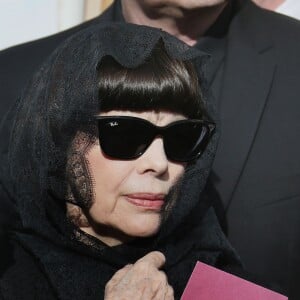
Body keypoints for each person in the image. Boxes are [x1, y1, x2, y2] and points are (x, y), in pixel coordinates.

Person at [1, 1, 300, 298]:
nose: (159, 163)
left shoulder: (232, 287)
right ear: (58, 143)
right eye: (125, 135)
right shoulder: (11, 269)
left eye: (182, 138)